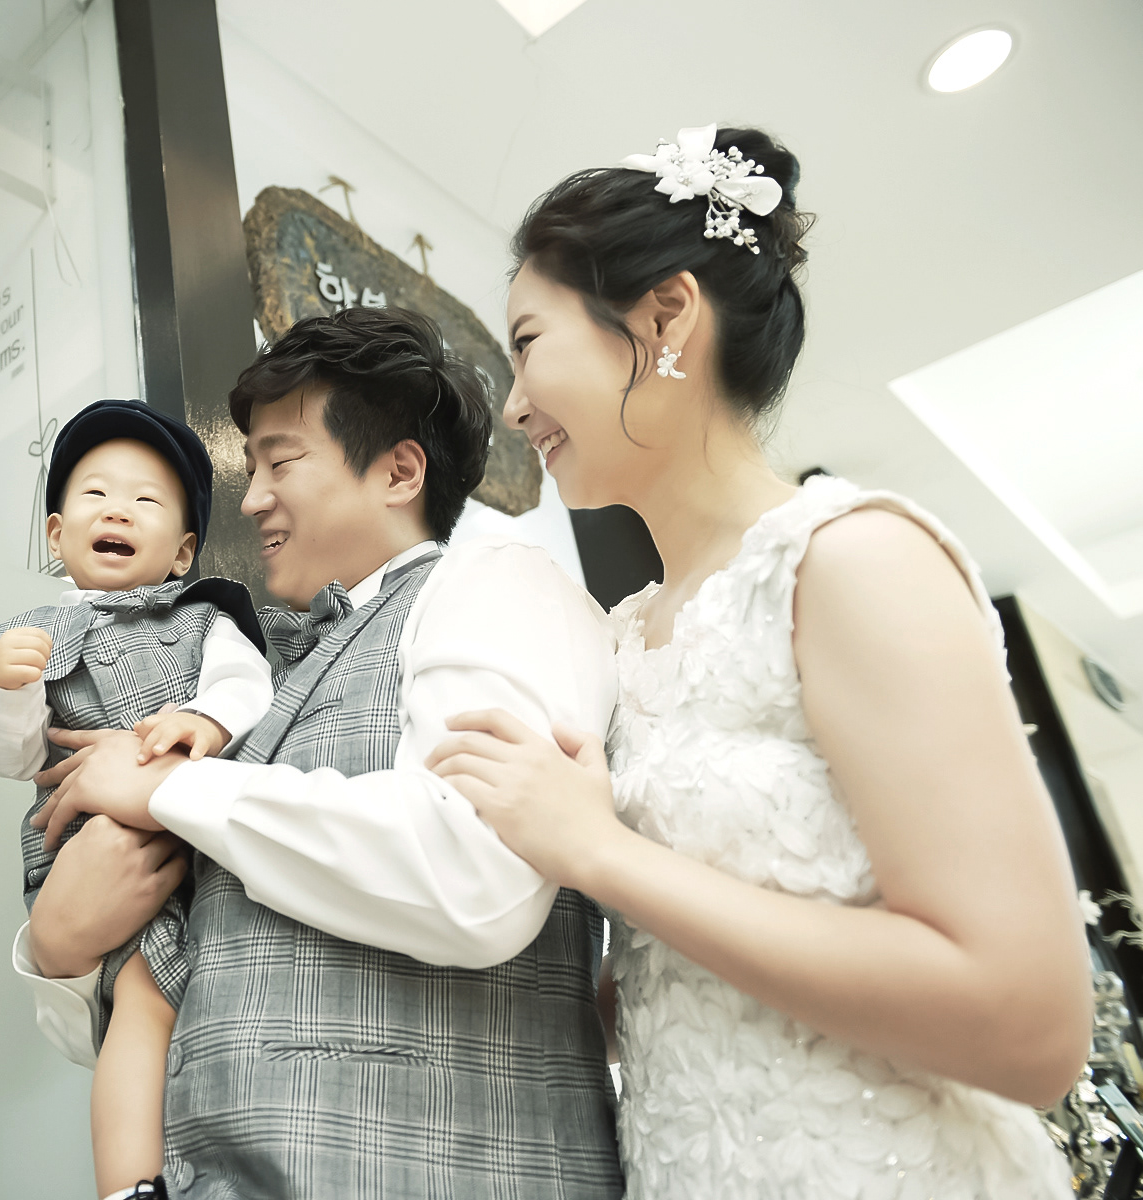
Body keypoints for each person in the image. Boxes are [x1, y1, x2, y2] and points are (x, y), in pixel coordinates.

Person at [425, 124, 1089, 1198]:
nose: (514, 405)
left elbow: (1031, 1025)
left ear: (665, 317)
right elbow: (683, 985)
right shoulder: (616, 636)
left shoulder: (850, 561)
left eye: (529, 344)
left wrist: (601, 854)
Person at [18, 307, 624, 1199]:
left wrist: (173, 789)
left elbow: (473, 873)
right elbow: (168, 996)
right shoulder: (242, 679)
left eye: (280, 461)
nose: (251, 497)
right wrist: (60, 950)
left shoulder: (497, 582)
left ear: (399, 472)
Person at [0, 399, 273, 1200]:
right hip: (99, 858)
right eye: (95, 494)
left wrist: (208, 719)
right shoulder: (33, 632)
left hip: (203, 848)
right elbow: (12, 756)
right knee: (139, 1004)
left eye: (145, 500)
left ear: (183, 551)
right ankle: (130, 1186)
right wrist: (1, 687)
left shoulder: (207, 618)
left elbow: (248, 689)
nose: (118, 511)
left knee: (232, 994)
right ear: (57, 535)